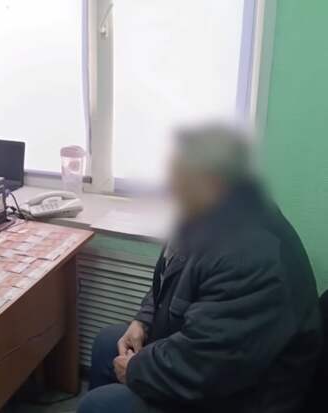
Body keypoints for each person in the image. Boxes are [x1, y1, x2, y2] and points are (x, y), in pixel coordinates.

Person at [79, 124, 323, 413]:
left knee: (100, 405)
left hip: (241, 396)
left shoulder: (251, 259)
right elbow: (169, 277)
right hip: (210, 361)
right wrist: (142, 321)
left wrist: (136, 370)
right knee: (108, 343)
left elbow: (204, 366)